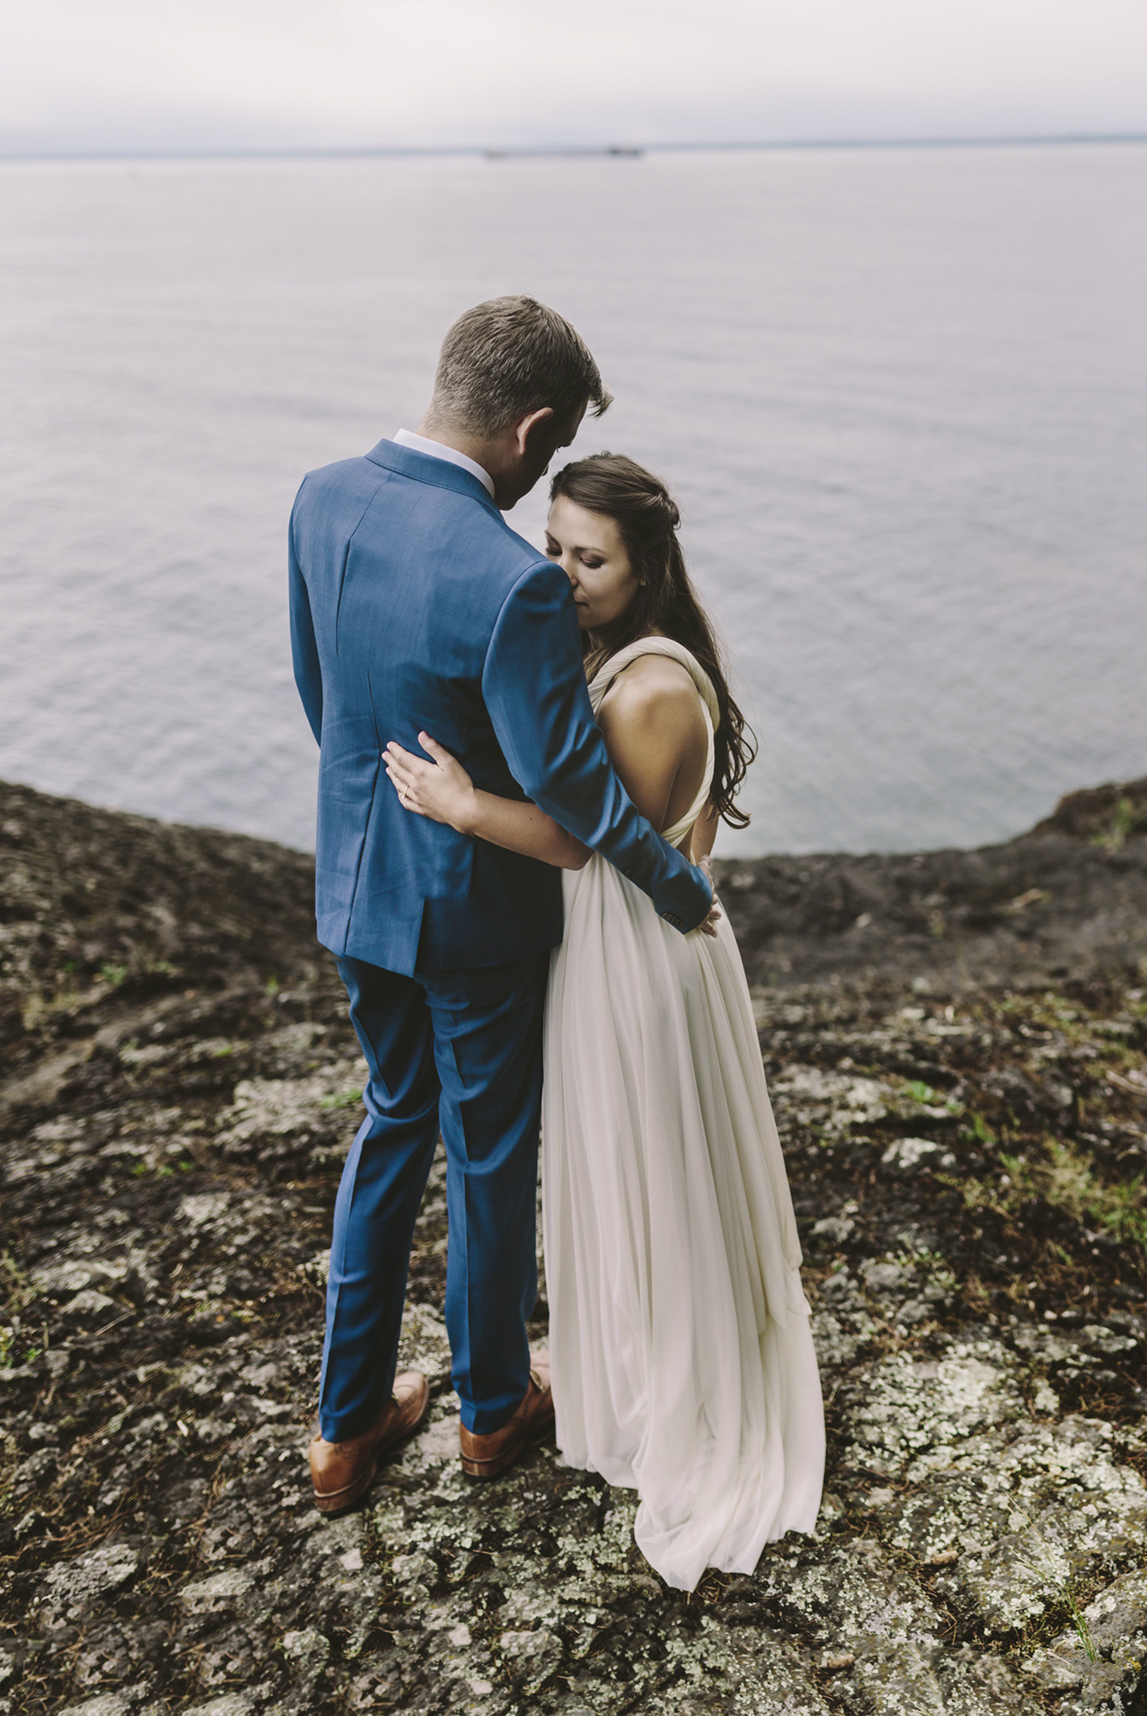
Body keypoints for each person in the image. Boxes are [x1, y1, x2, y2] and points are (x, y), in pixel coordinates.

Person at [289, 299, 715, 1518]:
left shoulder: (320, 496)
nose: (538, 491)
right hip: (471, 914)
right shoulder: (510, 580)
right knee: (484, 1158)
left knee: (386, 1127)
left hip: (356, 890)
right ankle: (487, 1409)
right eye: (550, 452)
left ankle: (345, 1425)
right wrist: (679, 883)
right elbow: (576, 797)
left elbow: (326, 701)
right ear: (531, 427)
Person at [381, 452, 824, 1592]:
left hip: (635, 957)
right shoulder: (614, 657)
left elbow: (588, 839)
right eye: (554, 551)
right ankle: (637, 1365)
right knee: (626, 1168)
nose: (567, 576)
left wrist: (464, 807)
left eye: (593, 559)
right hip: (621, 948)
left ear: (644, 568)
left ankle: (676, 1393)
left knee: (649, 1172)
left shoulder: (647, 689)